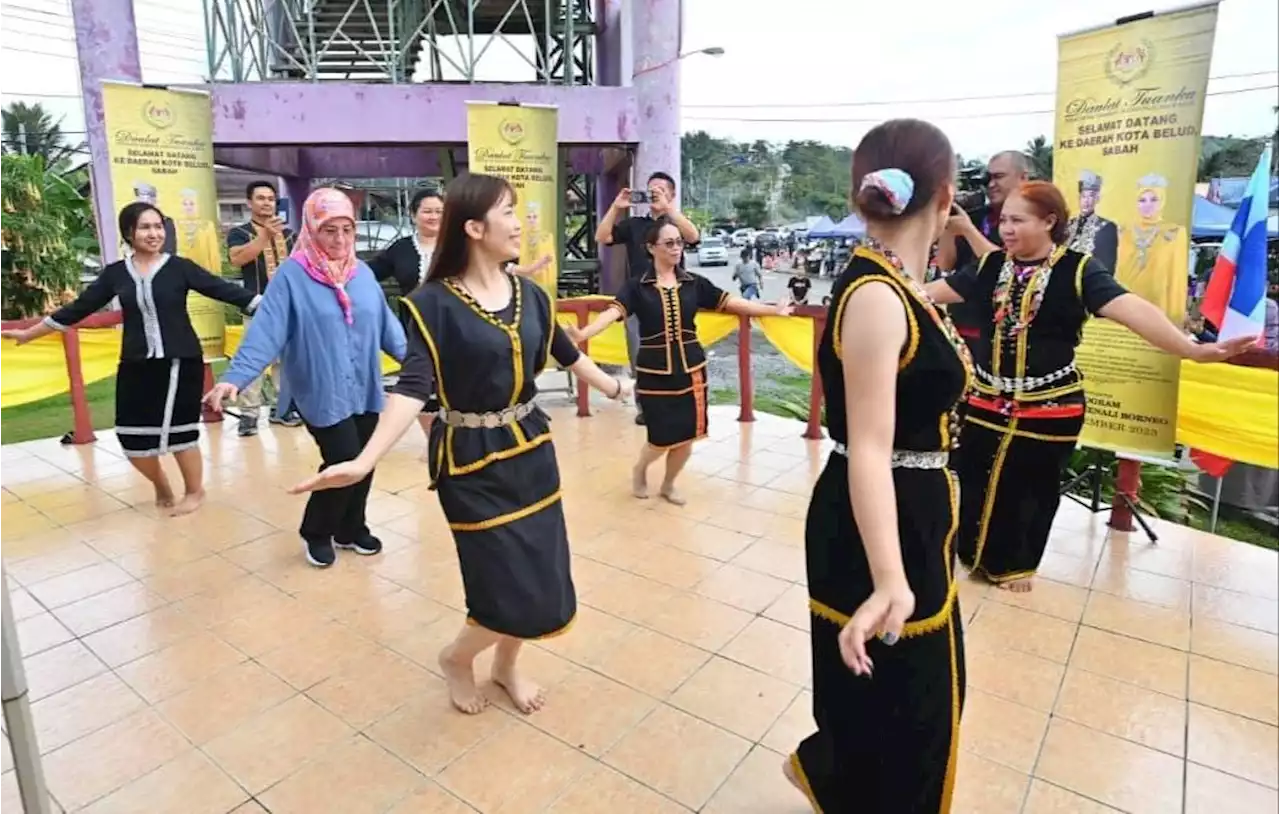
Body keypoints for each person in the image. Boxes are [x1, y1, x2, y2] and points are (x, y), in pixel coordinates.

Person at [289, 173, 630, 716]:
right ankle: (456, 658)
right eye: (507, 212)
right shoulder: (432, 304)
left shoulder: (531, 295)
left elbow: (566, 353)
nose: (519, 222)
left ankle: (507, 666)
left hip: (531, 454)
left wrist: (618, 388)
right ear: (473, 227)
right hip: (469, 464)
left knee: (541, 578)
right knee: (500, 585)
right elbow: (413, 388)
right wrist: (363, 459)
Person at [925, 180, 1256, 593]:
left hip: (1050, 405)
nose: (1007, 229)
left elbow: (1132, 309)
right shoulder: (993, 266)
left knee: (1030, 488)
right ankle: (973, 555)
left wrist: (1191, 350)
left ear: (1049, 221)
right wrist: (887, 291)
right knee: (973, 477)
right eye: (1004, 220)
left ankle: (1016, 566)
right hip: (987, 398)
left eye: (1018, 220)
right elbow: (930, 295)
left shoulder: (1079, 270)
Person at [785, 119, 970, 814]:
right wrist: (890, 577)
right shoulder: (875, 296)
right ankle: (836, 779)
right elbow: (868, 444)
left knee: (912, 693)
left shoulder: (898, 285)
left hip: (912, 508)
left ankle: (831, 777)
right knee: (906, 703)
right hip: (876, 513)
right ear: (945, 196)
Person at [2, 202, 260, 515]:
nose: (154, 234)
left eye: (158, 226)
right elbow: (78, 309)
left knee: (181, 432)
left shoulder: (180, 267)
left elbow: (226, 291)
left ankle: (195, 491)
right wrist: (29, 334)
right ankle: (160, 483)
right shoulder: (115, 274)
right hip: (136, 363)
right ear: (129, 233)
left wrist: (278, 307)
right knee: (130, 436)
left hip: (180, 360)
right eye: (145, 227)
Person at [205, 188, 408, 568]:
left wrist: (423, 363)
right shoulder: (293, 276)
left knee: (366, 457)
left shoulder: (361, 274)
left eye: (347, 229)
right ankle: (317, 530)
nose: (340, 239)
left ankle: (351, 528)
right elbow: (265, 331)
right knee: (343, 456)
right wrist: (236, 377)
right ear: (313, 228)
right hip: (321, 388)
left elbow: (387, 328)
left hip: (364, 387)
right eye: (330, 230)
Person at [566, 217, 792, 506]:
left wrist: (771, 311)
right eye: (669, 243)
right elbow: (612, 313)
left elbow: (733, 302)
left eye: (679, 243)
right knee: (659, 438)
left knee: (688, 437)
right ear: (651, 248)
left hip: (692, 370)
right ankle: (640, 469)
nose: (676, 248)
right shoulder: (637, 287)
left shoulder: (693, 283)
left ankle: (669, 484)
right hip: (654, 372)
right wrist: (584, 333)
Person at [595, 171, 700, 425]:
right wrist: (616, 207)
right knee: (639, 354)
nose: (654, 193)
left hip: (673, 296)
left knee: (677, 351)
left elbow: (693, 236)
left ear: (672, 195)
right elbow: (602, 237)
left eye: (661, 190)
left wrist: (669, 209)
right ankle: (646, 406)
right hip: (638, 298)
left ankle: (678, 403)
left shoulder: (676, 225)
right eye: (651, 189)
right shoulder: (635, 225)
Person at [372, 188, 447, 454]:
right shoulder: (401, 249)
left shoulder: (459, 246)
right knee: (423, 386)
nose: (433, 216)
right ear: (413, 214)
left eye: (439, 211)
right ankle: (434, 444)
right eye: (427, 211)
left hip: (456, 328)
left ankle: (458, 442)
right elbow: (370, 274)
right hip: (414, 330)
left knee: (457, 384)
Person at [225, 180, 301, 436]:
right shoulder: (240, 232)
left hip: (288, 308)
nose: (266, 203)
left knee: (286, 362)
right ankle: (249, 414)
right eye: (260, 198)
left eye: (270, 198)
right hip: (256, 307)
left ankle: (283, 409)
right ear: (249, 203)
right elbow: (237, 259)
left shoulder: (290, 234)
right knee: (254, 361)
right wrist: (264, 237)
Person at [935, 151, 1029, 346]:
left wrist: (967, 230)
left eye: (999, 177)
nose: (991, 184)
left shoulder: (1033, 218)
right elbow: (945, 264)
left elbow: (1010, 268)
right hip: (961, 324)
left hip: (1002, 331)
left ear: (1023, 178)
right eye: (988, 178)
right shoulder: (977, 216)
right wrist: (947, 222)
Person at [1115, 173, 1191, 321]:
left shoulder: (1174, 233)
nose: (1147, 205)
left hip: (1158, 311)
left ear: (1162, 201)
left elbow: (1176, 278)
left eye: (1154, 199)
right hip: (1126, 308)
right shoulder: (1123, 231)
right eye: (1142, 200)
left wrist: (1175, 316)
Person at [1065, 169, 1118, 271]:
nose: (1087, 201)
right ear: (1079, 198)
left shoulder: (1106, 227)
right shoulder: (1069, 224)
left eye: (1091, 196)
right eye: (1084, 196)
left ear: (1097, 199)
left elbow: (1107, 267)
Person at [174, 188, 223, 275]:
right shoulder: (174, 225)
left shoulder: (207, 225)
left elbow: (213, 253)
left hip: (203, 273)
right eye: (184, 204)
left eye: (192, 204)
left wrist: (216, 275)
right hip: (180, 273)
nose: (188, 207)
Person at [133, 182, 177, 255]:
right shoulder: (132, 221)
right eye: (139, 196)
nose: (140, 200)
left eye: (144, 196)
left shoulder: (166, 222)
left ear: (153, 200)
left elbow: (169, 250)